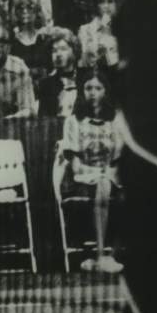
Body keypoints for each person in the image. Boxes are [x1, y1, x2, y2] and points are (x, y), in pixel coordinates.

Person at [60, 70, 124, 274]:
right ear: (82, 91)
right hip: (81, 178)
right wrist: (98, 173)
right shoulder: (72, 122)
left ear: (105, 92)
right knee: (103, 184)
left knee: (126, 191)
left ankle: (111, 255)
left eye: (98, 88)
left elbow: (116, 161)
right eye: (88, 88)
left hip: (109, 175)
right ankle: (98, 254)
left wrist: (107, 173)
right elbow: (75, 165)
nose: (93, 93)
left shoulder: (115, 122)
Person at [36, 28, 83, 118]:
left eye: (63, 49)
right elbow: (43, 120)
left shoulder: (86, 80)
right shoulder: (46, 85)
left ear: (74, 51)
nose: (58, 54)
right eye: (54, 50)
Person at [8, 0, 52, 81]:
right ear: (15, 11)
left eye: (29, 7)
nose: (24, 11)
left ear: (37, 11)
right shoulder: (11, 42)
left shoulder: (46, 40)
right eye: (20, 8)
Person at [77, 0, 120, 70]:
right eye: (102, 2)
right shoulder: (85, 30)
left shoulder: (124, 29)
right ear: (96, 5)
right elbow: (85, 62)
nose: (106, 6)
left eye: (110, 1)